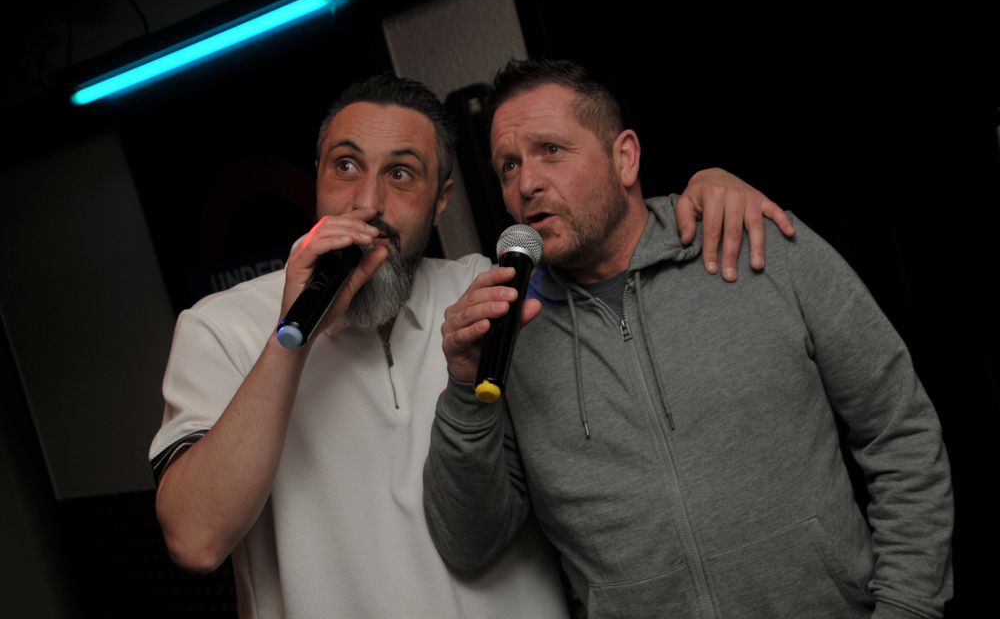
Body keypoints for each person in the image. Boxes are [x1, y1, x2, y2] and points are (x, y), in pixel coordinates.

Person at [150, 72, 791, 618]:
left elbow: (606, 241)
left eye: (402, 174)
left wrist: (707, 187)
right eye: (345, 166)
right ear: (316, 175)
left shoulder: (491, 289)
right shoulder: (220, 327)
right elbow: (196, 540)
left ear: (440, 201)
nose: (367, 201)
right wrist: (293, 335)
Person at [426, 59, 953, 619]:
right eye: (508, 166)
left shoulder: (758, 244)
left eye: (551, 150)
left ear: (624, 157)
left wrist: (907, 607)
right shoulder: (511, 334)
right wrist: (465, 391)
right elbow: (469, 542)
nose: (526, 184)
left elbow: (899, 431)